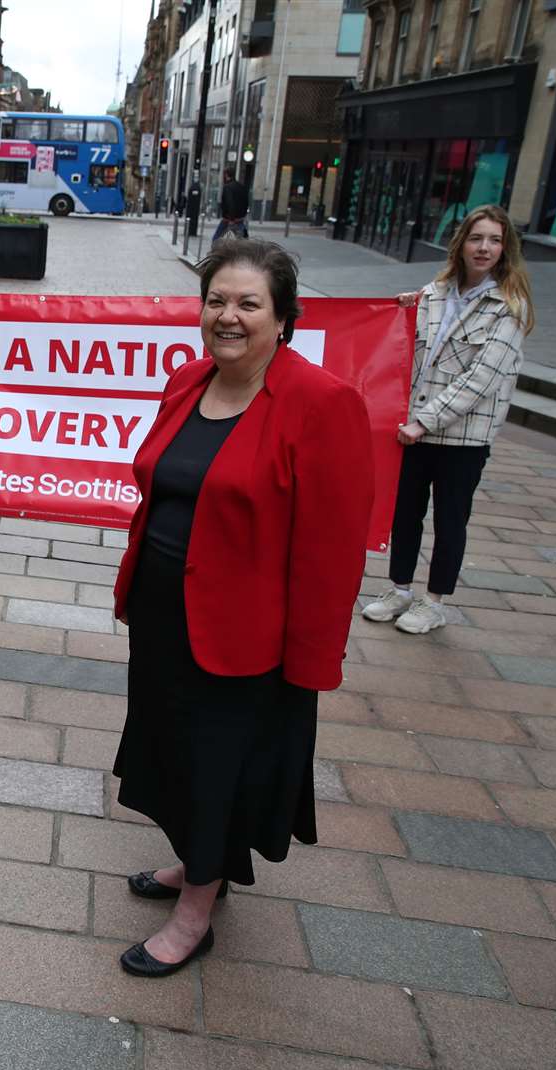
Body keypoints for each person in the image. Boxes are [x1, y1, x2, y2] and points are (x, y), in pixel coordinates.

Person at [110, 238, 373, 978]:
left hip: (245, 635)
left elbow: (333, 551)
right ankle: (197, 862)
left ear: (282, 317)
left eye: (248, 304)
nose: (228, 316)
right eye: (217, 300)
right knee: (169, 744)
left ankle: (197, 911)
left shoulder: (322, 404)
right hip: (167, 612)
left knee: (215, 762)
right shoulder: (188, 380)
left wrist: (311, 662)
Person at [362, 204, 533, 634]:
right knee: (404, 514)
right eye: (477, 238)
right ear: (461, 244)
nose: (484, 248)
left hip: (462, 437)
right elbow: (406, 351)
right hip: (412, 432)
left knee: (450, 519)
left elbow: (482, 379)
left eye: (494, 240)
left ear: (505, 248)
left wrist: (425, 420)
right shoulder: (436, 292)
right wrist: (400, 312)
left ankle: (434, 602)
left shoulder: (509, 307)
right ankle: (399, 589)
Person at [212, 168, 249, 244]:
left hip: (229, 219)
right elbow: (246, 201)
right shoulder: (241, 186)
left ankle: (215, 252)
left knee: (216, 239)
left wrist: (231, 219)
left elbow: (230, 203)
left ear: (226, 175)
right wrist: (243, 214)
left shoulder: (227, 187)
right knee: (241, 240)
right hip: (240, 218)